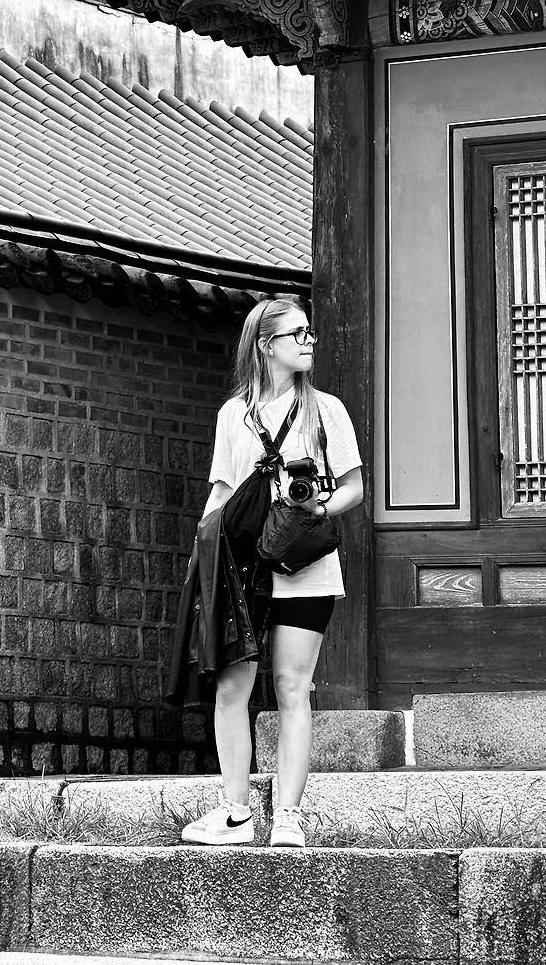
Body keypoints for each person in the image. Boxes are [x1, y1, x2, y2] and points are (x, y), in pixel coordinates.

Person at [180, 294, 363, 849]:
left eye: (310, 333)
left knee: (291, 687)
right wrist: (202, 558)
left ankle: (288, 816)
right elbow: (221, 492)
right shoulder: (232, 414)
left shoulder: (326, 410)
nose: (308, 343)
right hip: (241, 569)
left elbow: (354, 487)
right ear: (265, 345)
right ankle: (235, 813)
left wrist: (317, 510)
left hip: (305, 567)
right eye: (297, 334)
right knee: (231, 687)